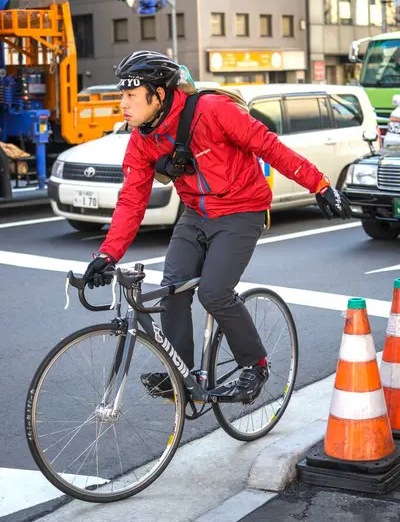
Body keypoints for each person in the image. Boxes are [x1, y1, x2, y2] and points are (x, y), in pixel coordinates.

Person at [83, 51, 352, 403]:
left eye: (131, 95)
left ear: (159, 95)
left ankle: (255, 365)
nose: (123, 104)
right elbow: (131, 201)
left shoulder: (212, 111)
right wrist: (107, 254)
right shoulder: (142, 139)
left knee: (214, 292)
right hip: (195, 213)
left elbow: (268, 147)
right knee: (172, 290)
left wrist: (319, 185)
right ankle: (182, 374)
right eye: (122, 96)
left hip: (242, 210)